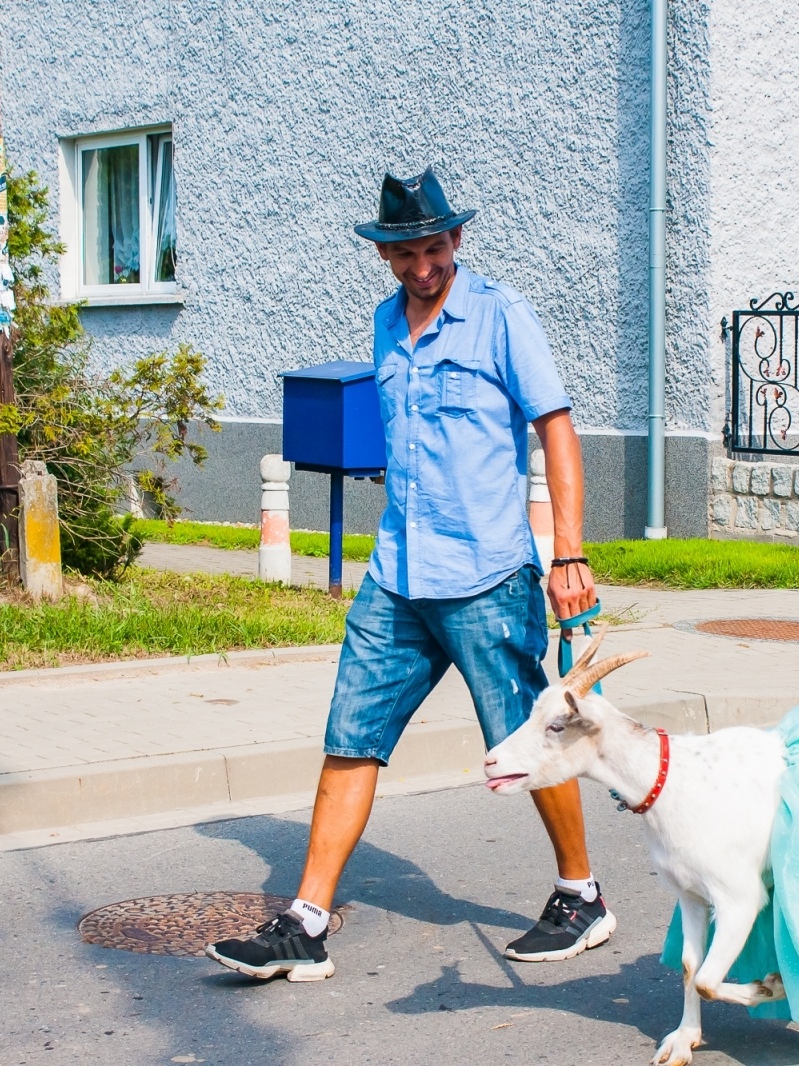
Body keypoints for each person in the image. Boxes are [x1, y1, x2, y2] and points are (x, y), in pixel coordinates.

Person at [205, 167, 613, 982]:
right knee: (351, 735)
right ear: (385, 253)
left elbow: (556, 431)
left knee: (525, 740)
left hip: (486, 575)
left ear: (456, 240)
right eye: (404, 252)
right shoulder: (387, 323)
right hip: (396, 575)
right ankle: (306, 922)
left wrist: (567, 553)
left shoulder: (501, 317)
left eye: (433, 248)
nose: (421, 266)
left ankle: (583, 894)